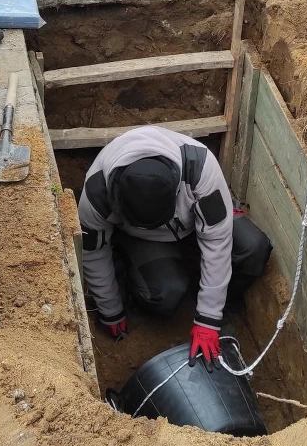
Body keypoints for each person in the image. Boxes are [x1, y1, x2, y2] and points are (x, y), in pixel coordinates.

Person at [77, 125, 272, 364]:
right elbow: (94, 250)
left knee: (253, 247)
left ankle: (224, 304)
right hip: (142, 238)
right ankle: (135, 278)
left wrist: (209, 319)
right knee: (166, 292)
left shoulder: (200, 168)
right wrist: (110, 310)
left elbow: (217, 241)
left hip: (192, 221)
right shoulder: (96, 192)